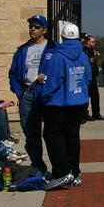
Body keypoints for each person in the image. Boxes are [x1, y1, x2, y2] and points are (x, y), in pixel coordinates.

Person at [36, 23, 92, 190]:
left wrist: (43, 95)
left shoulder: (58, 56)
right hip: (78, 102)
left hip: (58, 103)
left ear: (63, 36)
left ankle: (61, 171)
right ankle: (74, 172)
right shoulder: (82, 55)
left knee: (52, 135)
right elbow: (88, 78)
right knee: (72, 137)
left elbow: (53, 80)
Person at [9, 14, 54, 175]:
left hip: (46, 94)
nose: (32, 29)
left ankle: (58, 168)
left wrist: (48, 79)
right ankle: (38, 166)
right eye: (31, 27)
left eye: (36, 27)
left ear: (44, 30)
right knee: (31, 132)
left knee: (52, 132)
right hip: (27, 93)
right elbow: (13, 74)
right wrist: (19, 92)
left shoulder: (53, 48)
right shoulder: (22, 50)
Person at [82, 34, 104, 120]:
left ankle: (96, 113)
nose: (94, 43)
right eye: (93, 42)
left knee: (95, 96)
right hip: (87, 76)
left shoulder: (91, 50)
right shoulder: (84, 50)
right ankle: (85, 114)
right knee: (86, 96)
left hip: (93, 75)